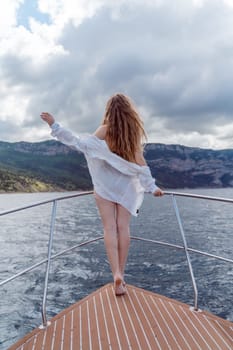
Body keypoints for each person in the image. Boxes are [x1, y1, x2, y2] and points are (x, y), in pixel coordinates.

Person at [41, 93, 164, 296]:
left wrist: (55, 126)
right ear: (129, 112)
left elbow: (81, 144)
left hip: (105, 188)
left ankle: (115, 273)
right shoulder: (132, 134)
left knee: (109, 228)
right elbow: (141, 164)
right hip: (127, 188)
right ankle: (121, 276)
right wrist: (152, 187)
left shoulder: (105, 129)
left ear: (109, 111)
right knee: (123, 227)